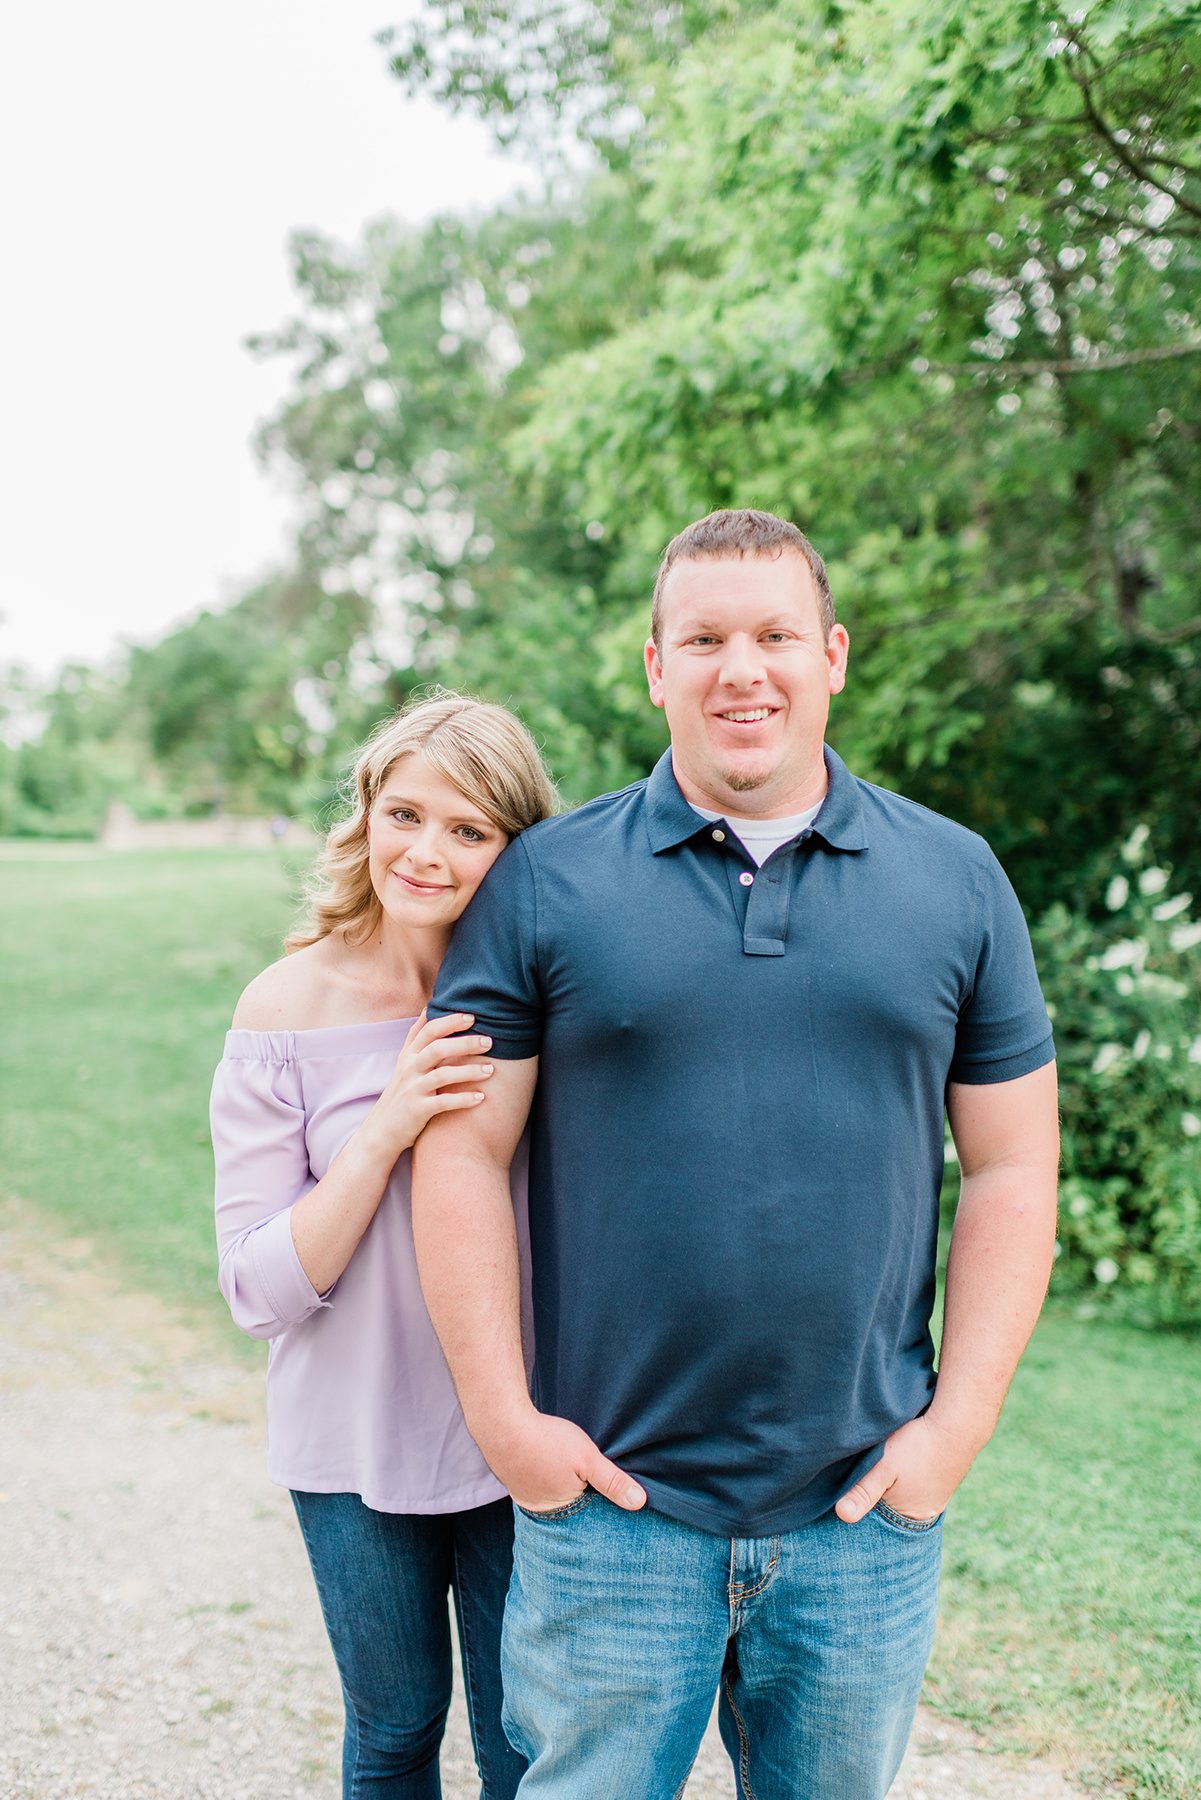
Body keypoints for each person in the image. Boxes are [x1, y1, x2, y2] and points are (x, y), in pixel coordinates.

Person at [411, 511, 1061, 1800]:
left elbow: (1012, 1167)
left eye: (772, 636)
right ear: (655, 666)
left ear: (830, 655)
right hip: (610, 1509)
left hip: (861, 1510)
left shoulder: (957, 880)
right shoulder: (545, 881)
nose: (740, 669)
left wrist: (955, 1433)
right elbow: (464, 1152)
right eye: (702, 638)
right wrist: (507, 1425)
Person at [211, 694, 555, 1800]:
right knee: (396, 1729)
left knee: (526, 1741)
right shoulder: (285, 1006)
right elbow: (259, 1289)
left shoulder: (541, 999)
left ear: (513, 846)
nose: (426, 852)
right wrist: (387, 1126)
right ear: (364, 813)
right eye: (406, 813)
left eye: (469, 830)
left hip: (519, 1429)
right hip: (350, 1445)